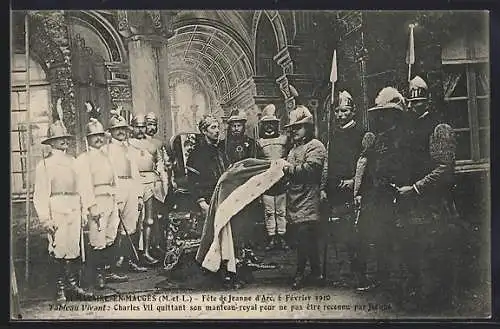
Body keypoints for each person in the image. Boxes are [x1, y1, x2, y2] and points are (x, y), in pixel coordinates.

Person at [394, 75, 458, 311]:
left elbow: (444, 167)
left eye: (418, 103)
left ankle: (440, 305)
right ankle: (422, 300)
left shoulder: (439, 128)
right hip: (414, 203)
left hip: (435, 203)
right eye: (410, 103)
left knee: (436, 253)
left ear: (428, 101)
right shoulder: (410, 127)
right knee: (417, 252)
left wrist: (416, 188)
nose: (412, 107)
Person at [353, 86, 413, 293]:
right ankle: (382, 278)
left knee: (399, 238)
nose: (384, 118)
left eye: (388, 114)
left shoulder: (405, 137)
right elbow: (369, 166)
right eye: (381, 114)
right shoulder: (378, 138)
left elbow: (406, 166)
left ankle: (404, 280)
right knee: (377, 237)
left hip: (397, 192)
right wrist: (362, 192)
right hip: (376, 194)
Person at [33, 115, 93, 303]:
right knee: (58, 247)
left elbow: (83, 187)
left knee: (73, 247)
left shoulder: (74, 161)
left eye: (66, 138)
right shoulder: (44, 165)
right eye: (60, 139)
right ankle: (60, 289)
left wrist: (84, 212)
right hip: (56, 205)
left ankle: (73, 285)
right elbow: (41, 193)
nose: (64, 141)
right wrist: (45, 218)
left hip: (74, 204)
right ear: (52, 142)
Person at [320, 90, 366, 287]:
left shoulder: (360, 134)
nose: (340, 115)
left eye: (344, 111)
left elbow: (363, 162)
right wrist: (323, 187)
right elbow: (327, 164)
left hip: (352, 190)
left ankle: (360, 276)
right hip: (334, 191)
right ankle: (343, 275)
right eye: (337, 111)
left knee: (355, 235)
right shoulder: (333, 135)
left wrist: (354, 183)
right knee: (338, 234)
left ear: (353, 111)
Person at [76, 116, 128, 289]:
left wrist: (118, 200)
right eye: (94, 136)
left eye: (100, 135)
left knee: (111, 235)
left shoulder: (108, 156)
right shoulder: (84, 159)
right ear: (87, 138)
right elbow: (84, 184)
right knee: (97, 237)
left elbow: (116, 179)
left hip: (111, 198)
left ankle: (108, 270)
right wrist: (92, 206)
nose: (98, 138)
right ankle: (98, 274)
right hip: (97, 200)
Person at [281, 105, 327, 290]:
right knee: (306, 240)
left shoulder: (315, 146)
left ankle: (300, 273)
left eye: (297, 128)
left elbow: (310, 171)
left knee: (304, 238)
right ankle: (317, 272)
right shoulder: (292, 150)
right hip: (294, 199)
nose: (294, 132)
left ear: (308, 128)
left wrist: (288, 169)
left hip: (310, 199)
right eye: (292, 129)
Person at [186, 115, 231, 286]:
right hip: (207, 199)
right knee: (212, 235)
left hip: (222, 197)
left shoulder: (220, 150)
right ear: (204, 131)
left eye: (217, 127)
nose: (217, 130)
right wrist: (201, 202)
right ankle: (212, 270)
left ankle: (224, 267)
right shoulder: (197, 154)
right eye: (213, 127)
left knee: (224, 233)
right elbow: (192, 182)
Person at [106, 110, 148, 273]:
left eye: (123, 128)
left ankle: (129, 260)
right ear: (111, 132)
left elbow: (136, 173)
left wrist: (139, 195)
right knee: (114, 225)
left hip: (131, 186)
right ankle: (114, 263)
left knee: (131, 225)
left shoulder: (130, 149)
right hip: (117, 187)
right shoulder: (107, 150)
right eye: (117, 129)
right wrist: (113, 193)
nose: (121, 132)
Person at [129, 114, 168, 265]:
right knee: (133, 219)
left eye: (143, 126)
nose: (140, 130)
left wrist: (162, 182)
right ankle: (131, 256)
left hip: (150, 182)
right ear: (132, 127)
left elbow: (160, 164)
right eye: (137, 126)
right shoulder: (128, 144)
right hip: (134, 183)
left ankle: (146, 252)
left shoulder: (152, 145)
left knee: (149, 219)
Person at [256, 104, 290, 251]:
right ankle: (271, 237)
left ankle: (282, 237)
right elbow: (257, 163)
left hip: (282, 180)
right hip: (267, 181)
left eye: (272, 124)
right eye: (266, 125)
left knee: (281, 210)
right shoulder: (259, 143)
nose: (269, 127)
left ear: (277, 125)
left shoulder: (284, 139)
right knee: (269, 211)